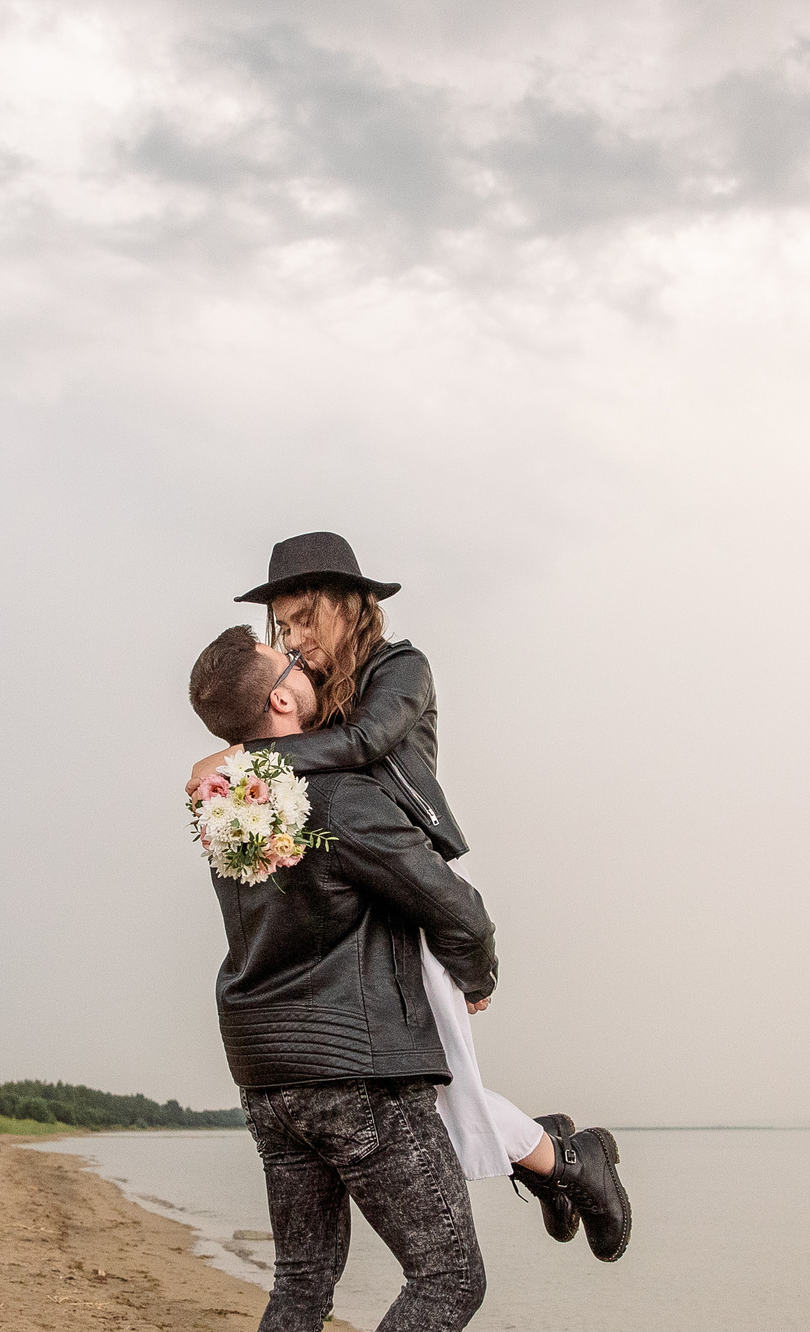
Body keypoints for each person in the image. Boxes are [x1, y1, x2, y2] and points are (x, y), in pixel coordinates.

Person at [192, 531, 631, 1262]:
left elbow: (363, 745)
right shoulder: (316, 694)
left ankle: (574, 1163)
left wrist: (241, 760)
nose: (295, 639)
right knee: (430, 1106)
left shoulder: (401, 669)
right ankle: (561, 1156)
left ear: (348, 605)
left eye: (304, 618)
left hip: (413, 889)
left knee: (437, 1106)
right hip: (373, 902)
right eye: (285, 627)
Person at [186, 624, 493, 1332]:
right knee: (449, 1275)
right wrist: (476, 966)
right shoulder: (332, 790)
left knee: (301, 1285)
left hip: (267, 1078)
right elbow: (446, 897)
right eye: (292, 667)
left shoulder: (231, 803)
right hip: (352, 1071)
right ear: (279, 702)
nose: (308, 667)